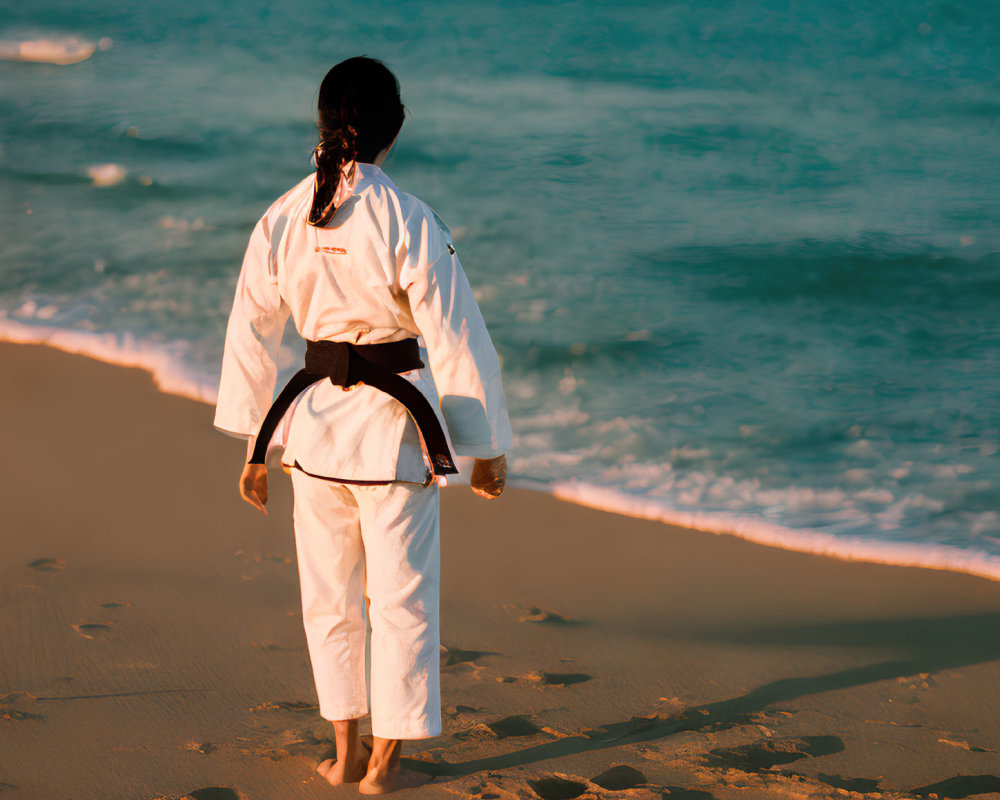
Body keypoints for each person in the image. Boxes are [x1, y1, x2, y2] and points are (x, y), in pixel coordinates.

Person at [213, 56, 511, 793]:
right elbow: (456, 335)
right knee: (402, 601)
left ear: (322, 121)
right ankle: (383, 762)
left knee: (329, 599)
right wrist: (486, 446)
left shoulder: (284, 214)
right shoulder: (407, 216)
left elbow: (251, 331)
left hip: (311, 436)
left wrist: (257, 447)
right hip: (391, 440)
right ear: (392, 128)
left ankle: (343, 751)